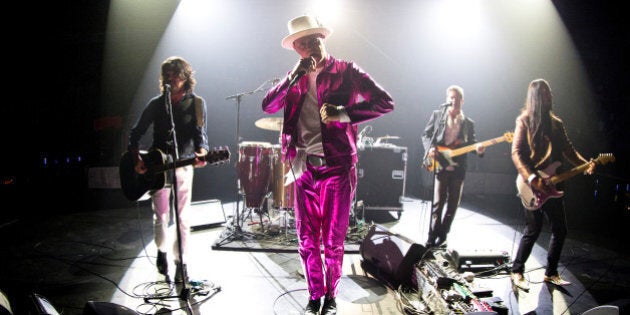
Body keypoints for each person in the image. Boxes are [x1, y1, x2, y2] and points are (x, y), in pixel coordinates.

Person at [262, 15, 394, 315]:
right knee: (307, 240)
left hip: (337, 167)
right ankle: (314, 295)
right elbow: (268, 105)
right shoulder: (293, 79)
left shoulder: (346, 70)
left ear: (324, 38)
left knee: (333, 240)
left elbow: (384, 102)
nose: (310, 47)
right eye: (303, 43)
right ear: (297, 49)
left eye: (314, 40)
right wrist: (293, 76)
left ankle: (331, 297)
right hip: (303, 167)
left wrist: (345, 112)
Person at [127, 56, 209, 282]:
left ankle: (180, 262)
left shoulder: (197, 103)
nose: (170, 78)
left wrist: (202, 151)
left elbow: (200, 136)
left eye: (174, 73)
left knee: (183, 216)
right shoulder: (156, 103)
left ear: (184, 76)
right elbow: (135, 134)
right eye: (166, 74)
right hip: (158, 167)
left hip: (183, 165)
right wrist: (137, 159)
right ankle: (162, 251)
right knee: (161, 215)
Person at [510, 78, 595, 291]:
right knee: (534, 229)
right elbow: (517, 153)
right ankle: (517, 270)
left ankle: (551, 272)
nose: (550, 96)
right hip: (530, 184)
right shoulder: (524, 121)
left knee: (560, 229)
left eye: (550, 92)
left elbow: (569, 150)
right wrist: (532, 178)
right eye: (546, 93)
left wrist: (586, 164)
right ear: (536, 97)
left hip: (552, 187)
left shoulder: (557, 123)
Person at [421, 85, 485, 248]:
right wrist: (431, 149)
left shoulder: (468, 123)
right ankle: (432, 236)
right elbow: (426, 135)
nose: (453, 101)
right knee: (438, 203)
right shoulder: (437, 116)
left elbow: (472, 143)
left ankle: (442, 236)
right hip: (440, 165)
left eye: (456, 98)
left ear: (462, 101)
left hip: (458, 168)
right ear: (446, 99)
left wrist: (478, 149)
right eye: (451, 97)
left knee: (453, 205)